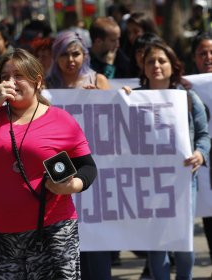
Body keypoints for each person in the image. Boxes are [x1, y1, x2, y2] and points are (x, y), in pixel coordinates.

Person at [0, 48, 97, 279]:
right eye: (4, 77)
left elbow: (88, 168)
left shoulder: (61, 120)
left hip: (53, 230)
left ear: (37, 80)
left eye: (18, 75)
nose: (10, 82)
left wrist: (71, 186)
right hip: (2, 234)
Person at [126, 41, 210, 280]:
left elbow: (204, 134)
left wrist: (200, 153)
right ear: (143, 67)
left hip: (183, 181)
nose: (156, 66)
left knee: (183, 241)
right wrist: (121, 101)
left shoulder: (188, 98)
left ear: (173, 66)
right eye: (150, 61)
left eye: (161, 61)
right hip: (148, 182)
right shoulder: (133, 98)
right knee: (157, 241)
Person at [45, 30, 110, 280]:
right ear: (55, 57)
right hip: (60, 170)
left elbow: (116, 116)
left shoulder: (98, 80)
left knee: (98, 244)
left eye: (76, 54)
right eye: (64, 55)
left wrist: (104, 98)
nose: (71, 60)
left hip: (92, 166)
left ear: (85, 55)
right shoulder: (47, 87)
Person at [191, 32, 212, 270]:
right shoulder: (185, 88)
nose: (208, 57)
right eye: (202, 53)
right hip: (206, 166)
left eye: (211, 52)